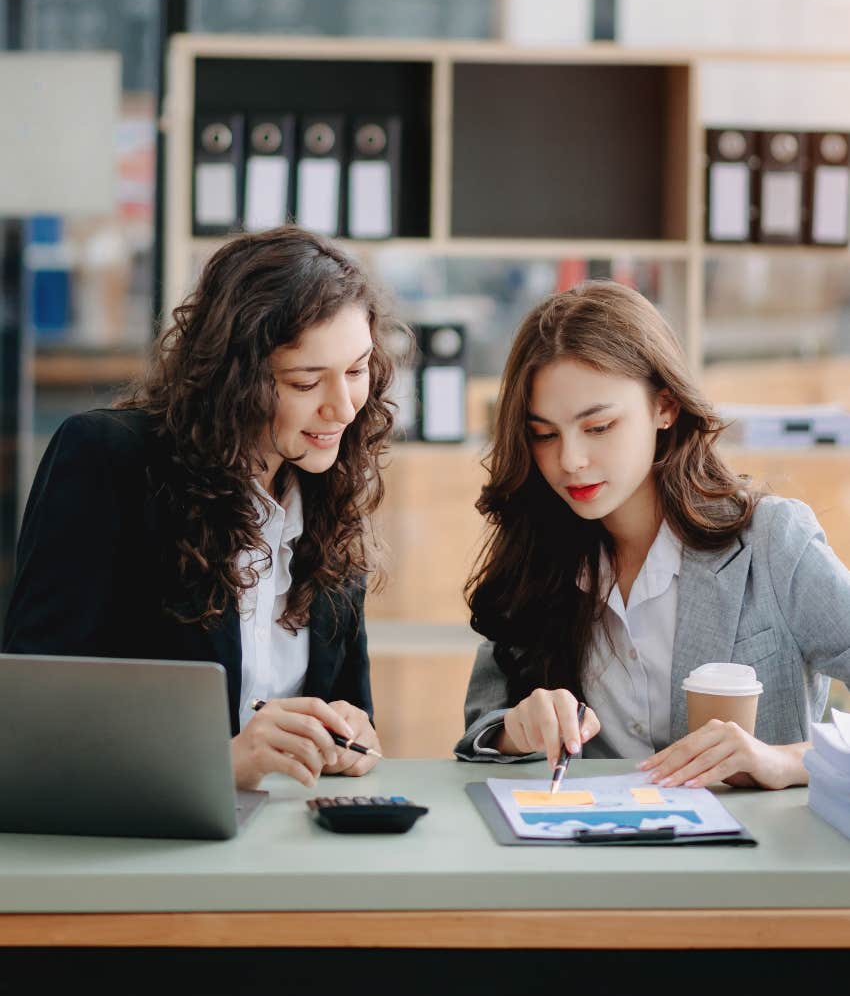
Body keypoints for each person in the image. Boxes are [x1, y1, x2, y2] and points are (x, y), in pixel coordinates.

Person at [4, 225, 406, 792]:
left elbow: (347, 706)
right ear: (235, 383)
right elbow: (35, 716)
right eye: (305, 381)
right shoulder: (108, 462)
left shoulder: (326, 494)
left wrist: (350, 734)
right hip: (140, 855)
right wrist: (221, 762)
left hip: (285, 848)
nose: (342, 407)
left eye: (357, 370)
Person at [455, 279, 850, 790]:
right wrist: (518, 729)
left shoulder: (772, 541)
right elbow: (481, 730)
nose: (569, 460)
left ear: (665, 406)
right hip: (586, 853)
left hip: (751, 859)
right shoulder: (538, 552)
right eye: (544, 434)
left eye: (598, 427)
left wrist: (786, 760)